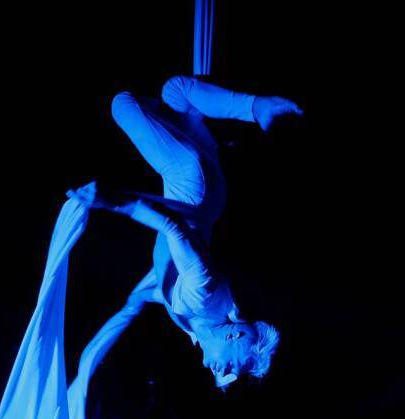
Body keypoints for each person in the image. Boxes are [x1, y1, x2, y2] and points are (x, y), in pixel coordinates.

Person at [68, 76, 303, 390]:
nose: (221, 371)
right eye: (232, 368)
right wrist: (113, 200)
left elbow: (154, 294)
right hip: (190, 184)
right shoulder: (204, 295)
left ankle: (223, 116)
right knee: (122, 104)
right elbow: (173, 228)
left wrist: (132, 306)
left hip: (208, 198)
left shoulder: (198, 326)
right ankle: (254, 107)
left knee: (176, 93)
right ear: (234, 336)